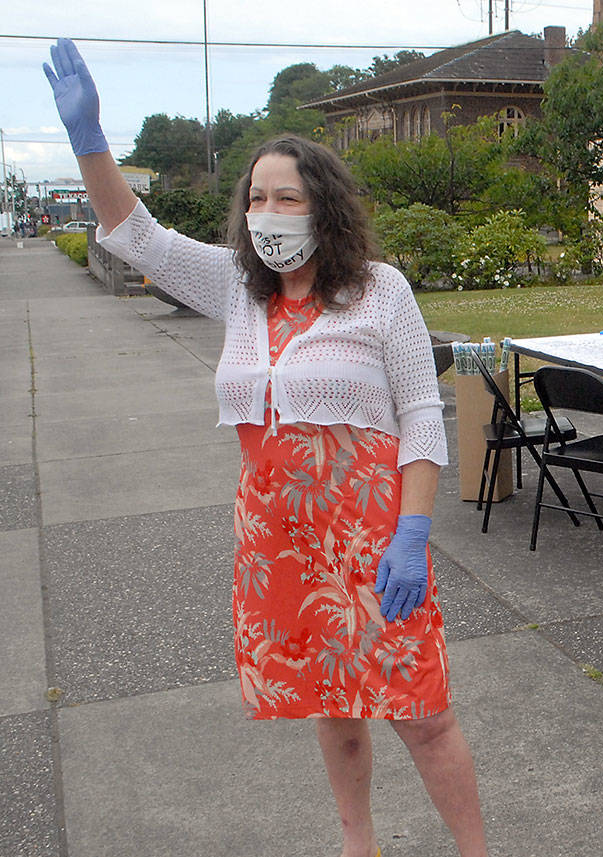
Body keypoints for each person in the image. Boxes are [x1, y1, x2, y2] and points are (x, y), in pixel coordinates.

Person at [43, 39, 487, 857]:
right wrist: (90, 141)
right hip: (278, 541)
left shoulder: (378, 292)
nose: (270, 213)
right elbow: (135, 236)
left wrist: (413, 533)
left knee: (422, 710)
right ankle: (360, 843)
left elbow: (423, 414)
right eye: (258, 198)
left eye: (287, 197)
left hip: (374, 539)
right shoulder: (237, 291)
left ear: (322, 206)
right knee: (333, 703)